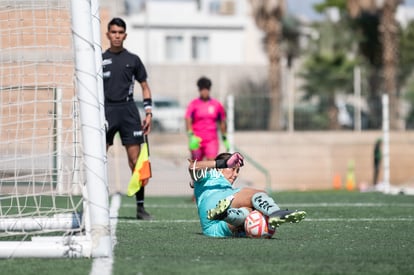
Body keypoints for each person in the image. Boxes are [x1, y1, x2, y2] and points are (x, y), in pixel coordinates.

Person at [102, 17, 153, 220]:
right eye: (113, 32)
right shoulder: (99, 58)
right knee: (99, 159)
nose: (116, 35)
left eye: (120, 32)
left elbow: (145, 86)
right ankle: (97, 206)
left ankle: (140, 207)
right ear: (108, 34)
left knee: (135, 161)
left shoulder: (133, 60)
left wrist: (148, 113)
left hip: (128, 111)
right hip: (105, 111)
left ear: (125, 35)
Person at [188, 152, 306, 237]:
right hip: (212, 208)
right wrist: (223, 163)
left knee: (250, 212)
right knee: (259, 194)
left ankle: (225, 214)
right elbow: (193, 167)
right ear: (220, 168)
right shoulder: (211, 174)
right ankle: (275, 213)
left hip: (214, 230)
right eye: (232, 169)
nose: (235, 174)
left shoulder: (226, 188)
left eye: (237, 171)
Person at [185, 76, 229, 162]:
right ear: (199, 90)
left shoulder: (216, 105)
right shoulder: (193, 104)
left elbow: (222, 121)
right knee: (196, 166)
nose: (205, 91)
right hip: (197, 139)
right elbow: (188, 120)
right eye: (202, 89)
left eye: (207, 89)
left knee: (212, 163)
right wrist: (191, 136)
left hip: (211, 140)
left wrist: (224, 137)